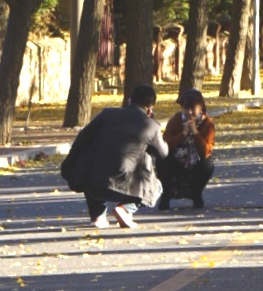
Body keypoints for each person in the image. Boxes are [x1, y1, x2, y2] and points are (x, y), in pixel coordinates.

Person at [60, 82, 168, 228]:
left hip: (94, 183)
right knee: (158, 186)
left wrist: (70, 164)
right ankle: (126, 209)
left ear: (129, 101)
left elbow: (83, 137)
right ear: (150, 109)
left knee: (96, 162)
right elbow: (163, 153)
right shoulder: (152, 126)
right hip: (128, 189)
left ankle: (97, 217)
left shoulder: (107, 114)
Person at [160, 89, 216, 211]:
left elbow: (205, 152)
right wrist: (183, 134)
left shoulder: (207, 123)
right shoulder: (175, 120)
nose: (189, 112)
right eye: (186, 108)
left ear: (200, 107)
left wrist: (195, 132)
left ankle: (196, 194)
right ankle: (166, 194)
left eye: (193, 109)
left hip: (196, 161)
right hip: (176, 158)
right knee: (161, 159)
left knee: (207, 164)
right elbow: (165, 145)